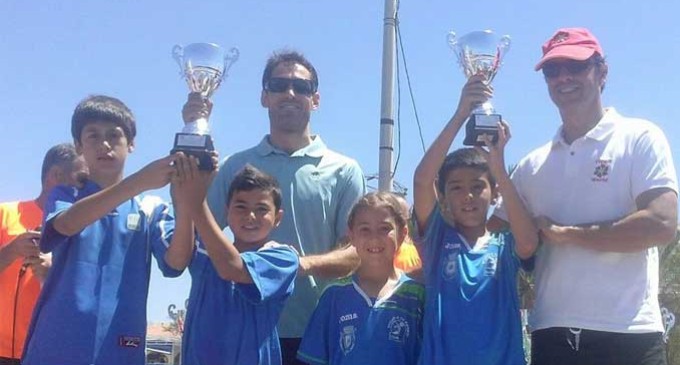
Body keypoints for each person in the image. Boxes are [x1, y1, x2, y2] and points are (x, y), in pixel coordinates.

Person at [490, 27, 678, 365]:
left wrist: (569, 235)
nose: (564, 77)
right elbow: (485, 237)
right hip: (551, 337)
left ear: (602, 71)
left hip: (630, 336)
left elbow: (662, 224)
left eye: (576, 66)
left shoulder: (640, 138)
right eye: (552, 69)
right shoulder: (531, 166)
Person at [189, 50, 366, 363]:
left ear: (316, 99)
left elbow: (356, 253)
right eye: (279, 84)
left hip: (317, 332)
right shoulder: (233, 166)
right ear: (264, 96)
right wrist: (192, 130)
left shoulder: (345, 169)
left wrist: (294, 266)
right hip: (240, 330)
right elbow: (198, 238)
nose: (290, 93)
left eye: (302, 87)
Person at [21, 95, 184, 365]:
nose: (104, 144)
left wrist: (188, 199)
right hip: (57, 344)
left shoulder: (151, 207)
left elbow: (176, 262)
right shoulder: (66, 195)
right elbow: (65, 224)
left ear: (131, 144)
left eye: (114, 135)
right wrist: (139, 181)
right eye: (93, 136)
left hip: (122, 345)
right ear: (78, 145)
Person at [412, 74, 539, 364]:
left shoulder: (504, 243)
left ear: (495, 195)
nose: (467, 196)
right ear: (442, 196)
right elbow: (422, 180)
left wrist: (499, 168)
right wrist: (461, 114)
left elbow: (530, 243)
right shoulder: (437, 238)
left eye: (477, 187)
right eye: (456, 188)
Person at [167, 161, 299, 365]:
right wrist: (186, 178)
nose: (250, 216)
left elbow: (233, 268)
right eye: (241, 207)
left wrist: (196, 202)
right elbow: (175, 262)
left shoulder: (283, 258)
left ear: (277, 217)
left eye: (262, 208)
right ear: (227, 211)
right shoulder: (204, 250)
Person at [297, 192, 424, 365]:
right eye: (365, 229)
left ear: (402, 234)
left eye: (384, 228)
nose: (374, 237)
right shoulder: (334, 295)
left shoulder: (417, 295)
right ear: (352, 236)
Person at [0, 143, 87, 365]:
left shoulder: (84, 227)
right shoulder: (5, 213)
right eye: (82, 179)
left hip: (48, 351)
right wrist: (12, 250)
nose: (88, 187)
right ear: (56, 175)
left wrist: (52, 270)